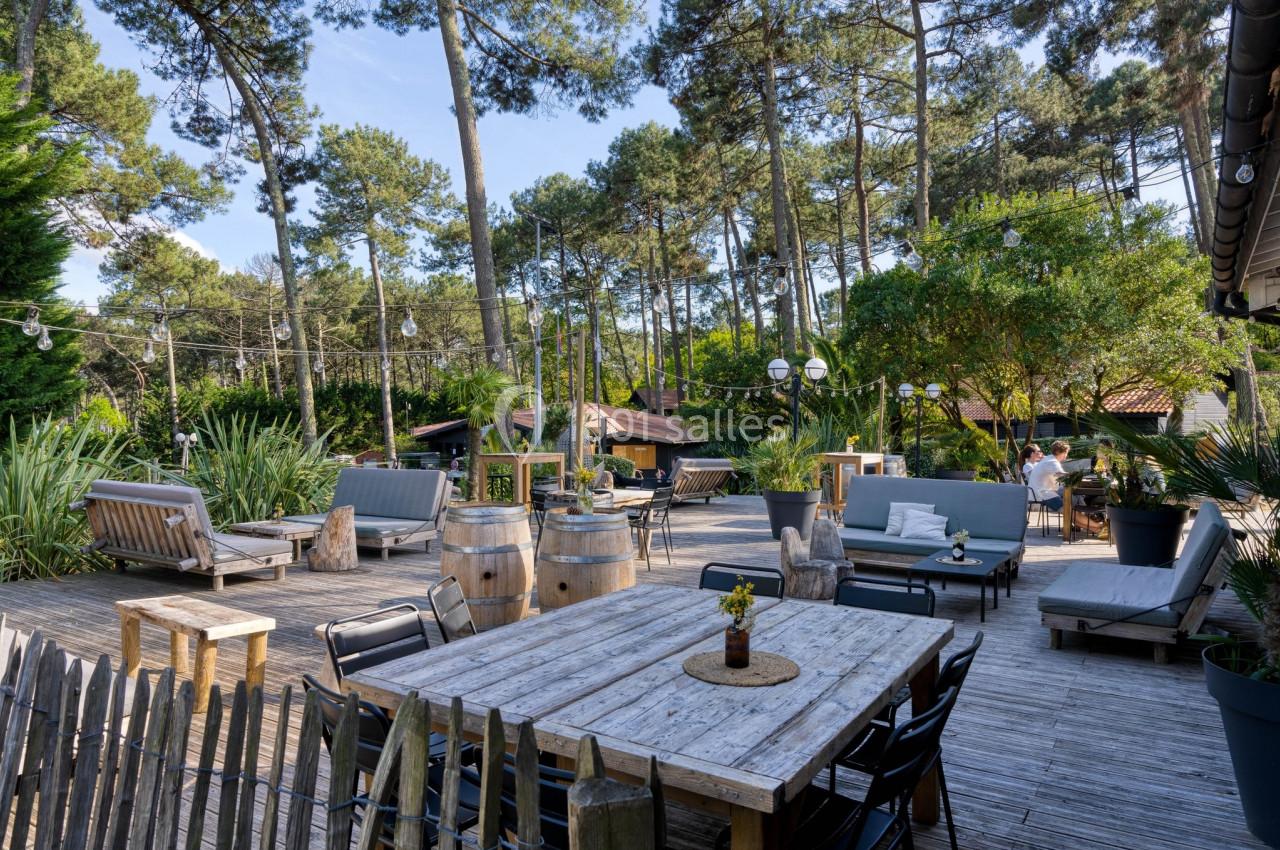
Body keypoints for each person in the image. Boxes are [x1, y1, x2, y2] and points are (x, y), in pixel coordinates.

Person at [1027, 440, 1071, 510]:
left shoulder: (1048, 459)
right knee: (1068, 508)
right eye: (1065, 452)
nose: (1066, 455)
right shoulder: (1052, 462)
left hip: (1036, 493)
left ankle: (1082, 515)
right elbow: (1062, 476)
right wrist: (1075, 475)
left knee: (1074, 496)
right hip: (1042, 495)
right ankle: (1081, 516)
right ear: (1058, 452)